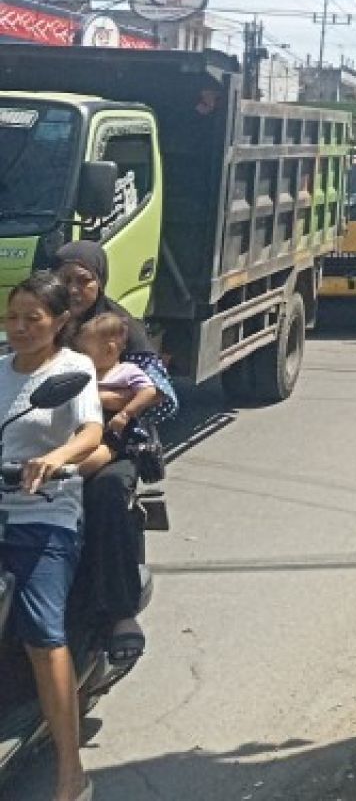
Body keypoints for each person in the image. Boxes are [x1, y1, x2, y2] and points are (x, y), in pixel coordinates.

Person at [1, 272, 103, 801]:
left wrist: (54, 458)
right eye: (12, 317)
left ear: (60, 321)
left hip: (43, 514)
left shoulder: (73, 369)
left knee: (42, 635)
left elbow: (91, 431)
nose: (19, 327)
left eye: (32, 318)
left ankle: (71, 770)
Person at [51, 241, 173, 666]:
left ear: (99, 281)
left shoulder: (121, 327)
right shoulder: (44, 320)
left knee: (104, 493)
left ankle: (121, 613)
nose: (73, 289)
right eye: (64, 279)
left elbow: (162, 396)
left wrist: (103, 400)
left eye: (82, 280)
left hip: (116, 443)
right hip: (48, 437)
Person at [73, 315, 161, 479]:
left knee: (97, 457)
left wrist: (125, 414)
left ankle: (73, 475)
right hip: (84, 426)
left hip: (113, 430)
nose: (80, 357)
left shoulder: (127, 371)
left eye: (85, 352)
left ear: (110, 350)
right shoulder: (85, 372)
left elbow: (149, 391)